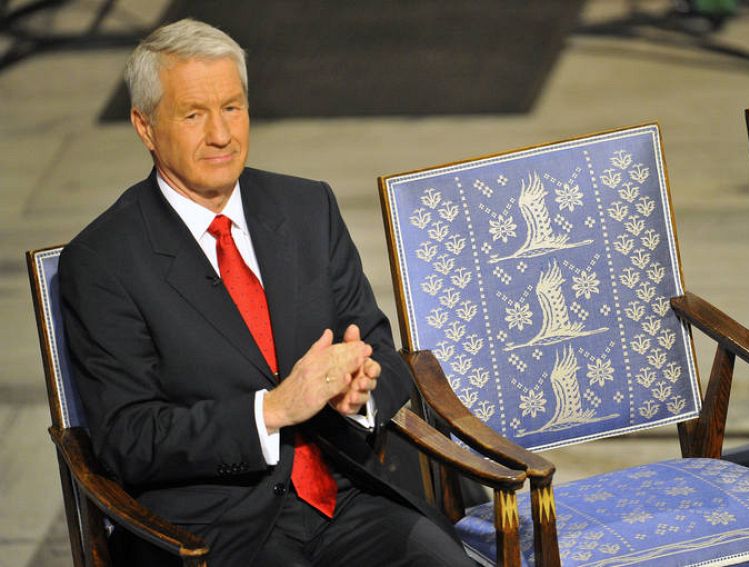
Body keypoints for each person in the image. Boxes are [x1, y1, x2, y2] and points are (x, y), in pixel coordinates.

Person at [59, 18, 474, 567]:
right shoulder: (103, 260)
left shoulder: (307, 208)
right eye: (193, 114)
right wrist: (271, 410)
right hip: (214, 532)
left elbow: (378, 346)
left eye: (232, 107)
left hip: (346, 500)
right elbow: (129, 440)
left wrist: (360, 392)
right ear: (145, 126)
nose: (222, 134)